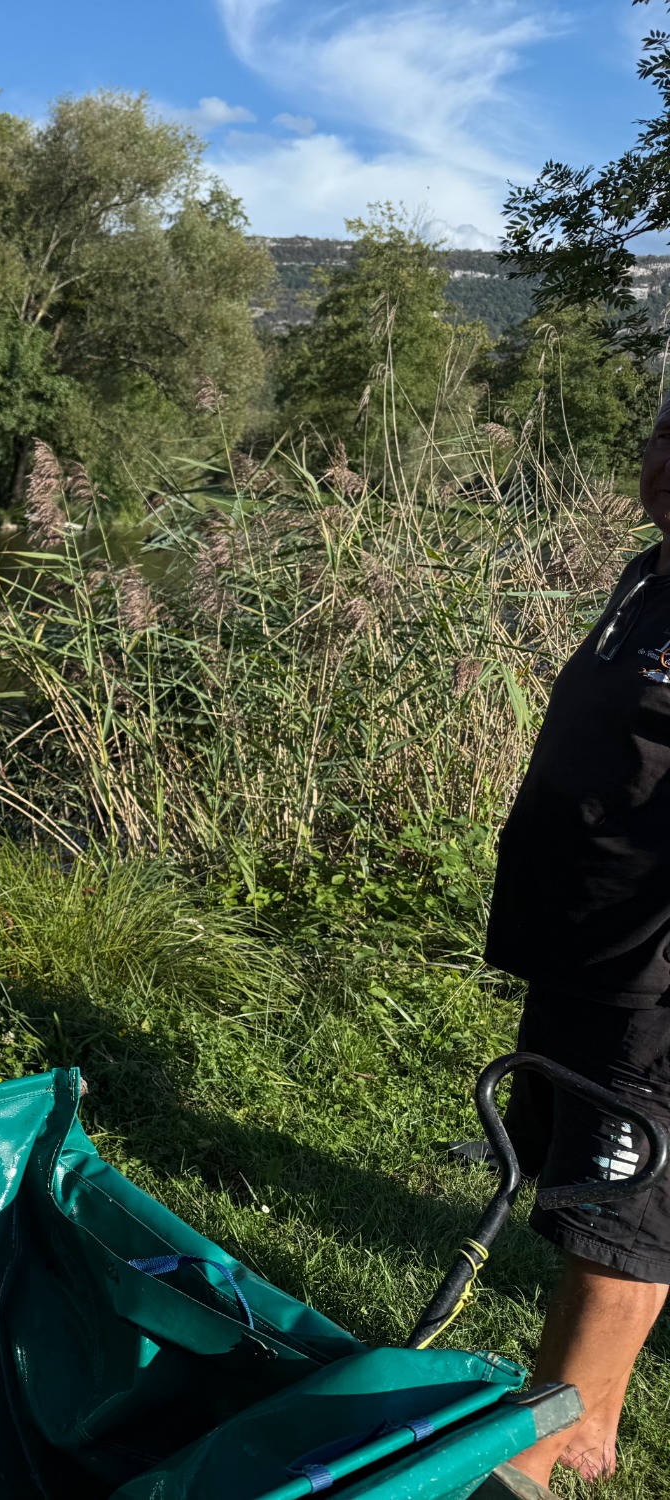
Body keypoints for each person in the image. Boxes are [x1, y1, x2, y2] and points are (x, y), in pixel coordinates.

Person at [489, 394, 670, 1487]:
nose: (667, 464)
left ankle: (538, 1458)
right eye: (665, 437)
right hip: (581, 948)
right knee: (574, 1191)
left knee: (620, 1215)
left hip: (652, 981)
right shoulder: (650, 574)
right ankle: (590, 1420)